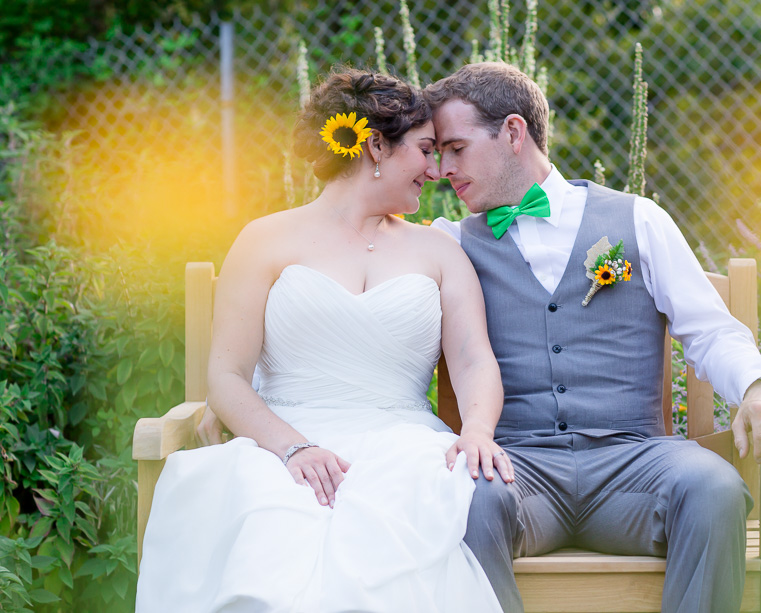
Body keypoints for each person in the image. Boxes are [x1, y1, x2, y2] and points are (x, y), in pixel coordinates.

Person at [423, 62, 761, 613]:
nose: (443, 169)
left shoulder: (640, 219)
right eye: (437, 152)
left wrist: (760, 384)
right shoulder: (449, 243)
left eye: (455, 148)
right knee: (468, 500)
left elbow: (710, 330)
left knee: (714, 489)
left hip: (639, 462)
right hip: (519, 470)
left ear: (513, 132)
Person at [136, 69, 510, 612]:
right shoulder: (264, 239)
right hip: (283, 441)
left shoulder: (439, 252)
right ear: (375, 146)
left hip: (402, 444)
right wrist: (292, 447)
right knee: (273, 528)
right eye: (425, 150)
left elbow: (475, 359)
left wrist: (476, 429)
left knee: (400, 523)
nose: (434, 171)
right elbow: (226, 376)